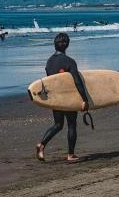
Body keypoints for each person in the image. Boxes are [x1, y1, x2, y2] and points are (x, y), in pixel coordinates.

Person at [36, 32, 89, 163]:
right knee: (71, 125)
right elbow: (77, 81)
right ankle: (71, 155)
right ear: (67, 45)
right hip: (67, 98)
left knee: (58, 125)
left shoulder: (49, 62)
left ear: (55, 44)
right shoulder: (69, 61)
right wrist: (84, 99)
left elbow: (50, 81)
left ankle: (41, 145)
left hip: (55, 98)